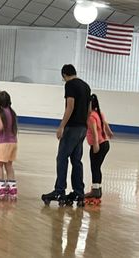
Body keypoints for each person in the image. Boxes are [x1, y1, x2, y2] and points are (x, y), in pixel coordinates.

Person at [42, 64, 91, 207]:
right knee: (77, 160)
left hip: (72, 127)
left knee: (62, 158)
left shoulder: (70, 85)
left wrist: (61, 126)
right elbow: (88, 110)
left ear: (64, 75)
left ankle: (59, 191)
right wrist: (85, 125)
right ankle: (78, 192)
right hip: (82, 127)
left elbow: (70, 106)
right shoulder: (86, 86)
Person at [85, 94, 113, 202]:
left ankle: (95, 191)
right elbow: (105, 123)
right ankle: (98, 189)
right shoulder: (99, 113)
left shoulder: (91, 117)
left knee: (95, 167)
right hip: (105, 144)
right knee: (97, 167)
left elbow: (94, 132)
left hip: (99, 144)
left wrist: (95, 144)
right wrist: (109, 132)